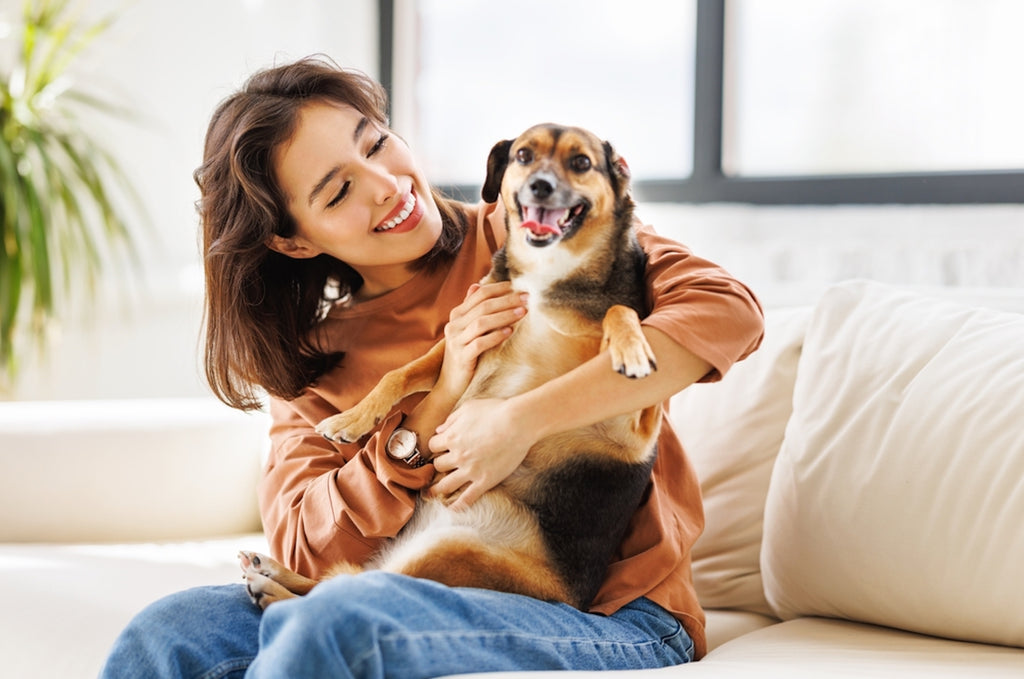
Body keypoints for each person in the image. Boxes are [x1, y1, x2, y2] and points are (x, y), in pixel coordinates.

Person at [99, 55, 764, 679]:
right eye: (339, 193)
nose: (388, 187)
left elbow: (727, 309)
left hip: (610, 614)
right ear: (294, 240)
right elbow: (307, 550)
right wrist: (436, 400)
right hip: (413, 588)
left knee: (337, 623)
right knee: (169, 631)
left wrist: (515, 422)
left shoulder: (536, 226)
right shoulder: (313, 360)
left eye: (376, 143)